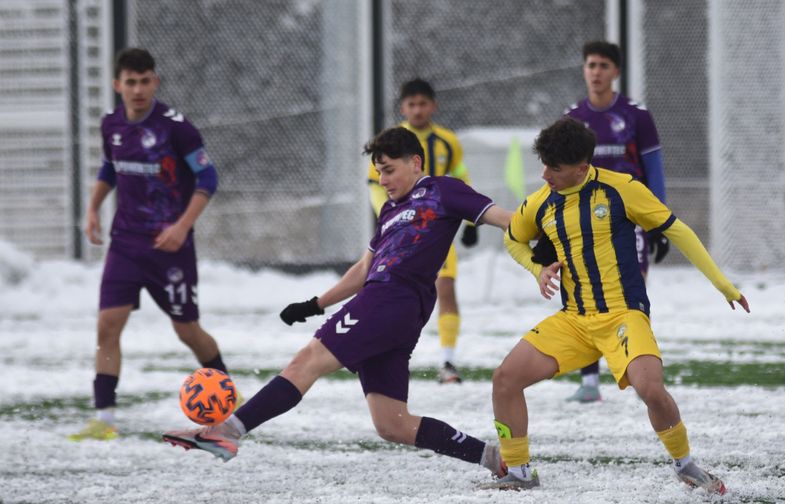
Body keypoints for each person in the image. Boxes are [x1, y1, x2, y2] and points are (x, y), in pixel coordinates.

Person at [163, 127, 512, 481]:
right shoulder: (391, 210)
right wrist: (315, 304)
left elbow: (506, 219)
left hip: (391, 299)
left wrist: (544, 242)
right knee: (393, 424)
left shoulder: (442, 189)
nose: (383, 179)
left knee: (307, 360)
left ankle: (226, 432)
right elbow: (364, 268)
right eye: (378, 172)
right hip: (394, 309)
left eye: (389, 169)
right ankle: (493, 458)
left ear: (415, 162)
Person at [484, 117, 749, 492]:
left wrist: (723, 285)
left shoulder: (621, 189)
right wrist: (537, 268)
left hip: (624, 315)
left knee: (651, 389)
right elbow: (514, 238)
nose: (544, 175)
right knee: (505, 379)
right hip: (574, 320)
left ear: (581, 167)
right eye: (542, 165)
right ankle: (520, 473)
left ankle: (686, 465)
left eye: (553, 168)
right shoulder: (541, 203)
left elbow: (677, 229)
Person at [69, 48, 234, 441]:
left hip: (170, 248)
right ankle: (104, 418)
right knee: (107, 326)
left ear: (155, 82)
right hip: (125, 243)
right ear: (117, 85)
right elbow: (110, 166)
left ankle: (227, 390)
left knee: (187, 331)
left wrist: (181, 227)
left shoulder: (177, 128)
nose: (138, 89)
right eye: (130, 82)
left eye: (145, 81)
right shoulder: (111, 124)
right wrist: (92, 208)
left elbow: (207, 180)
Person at [558, 40, 670, 403]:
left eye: (604, 65)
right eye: (591, 65)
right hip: (583, 221)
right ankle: (590, 381)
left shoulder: (637, 115)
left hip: (628, 218)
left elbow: (653, 169)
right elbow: (559, 172)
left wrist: (659, 221)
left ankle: (640, 371)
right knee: (584, 291)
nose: (596, 72)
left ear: (616, 72)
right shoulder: (572, 116)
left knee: (632, 292)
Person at [366, 78, 477, 383]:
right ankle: (383, 355)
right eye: (411, 104)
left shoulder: (446, 142)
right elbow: (374, 184)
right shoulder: (390, 140)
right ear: (402, 107)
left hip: (437, 232)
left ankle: (448, 361)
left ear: (433, 106)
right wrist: (387, 215)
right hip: (402, 232)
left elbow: (460, 178)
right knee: (389, 291)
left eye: (423, 104)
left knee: (446, 288)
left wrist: (468, 222)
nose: (417, 110)